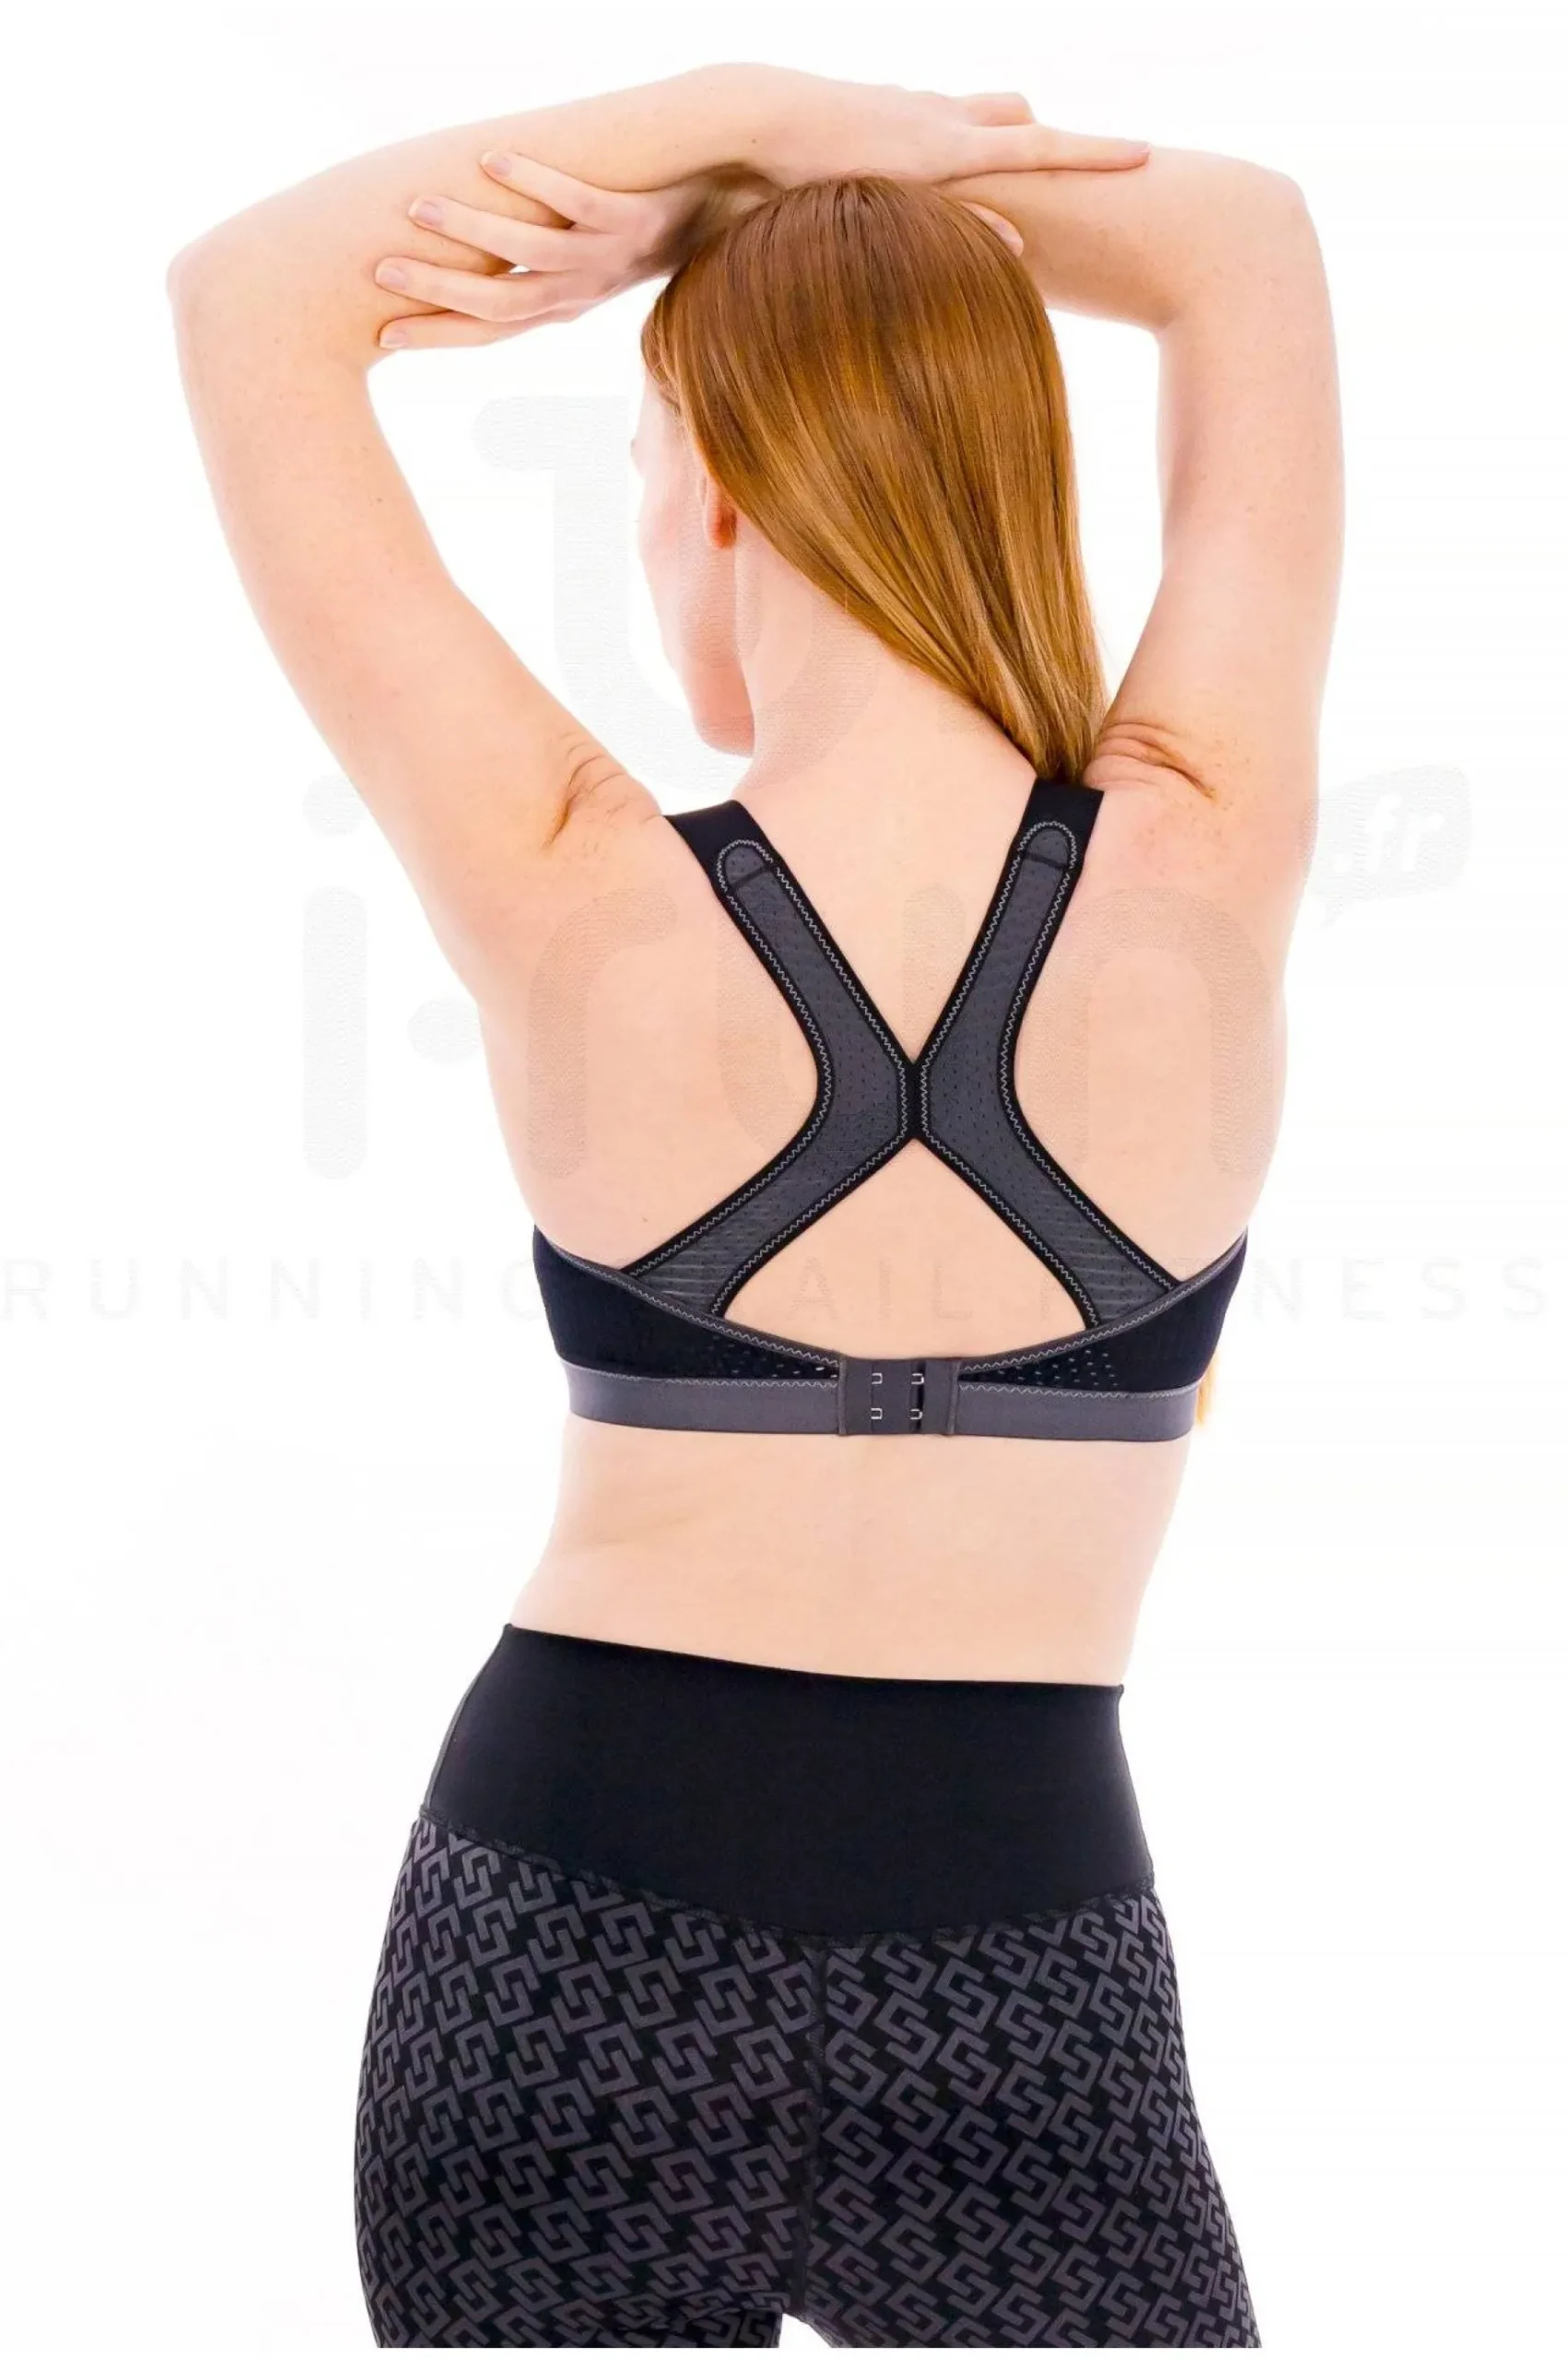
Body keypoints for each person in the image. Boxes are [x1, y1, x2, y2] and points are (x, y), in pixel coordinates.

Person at [170, 60, 1340, 2350]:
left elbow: (247, 298)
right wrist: (778, 201)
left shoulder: (560, 877)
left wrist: (718, 143)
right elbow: (1242, 242)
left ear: (707, 485)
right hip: (1023, 1954)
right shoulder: (1205, 844)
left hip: (560, 1933)